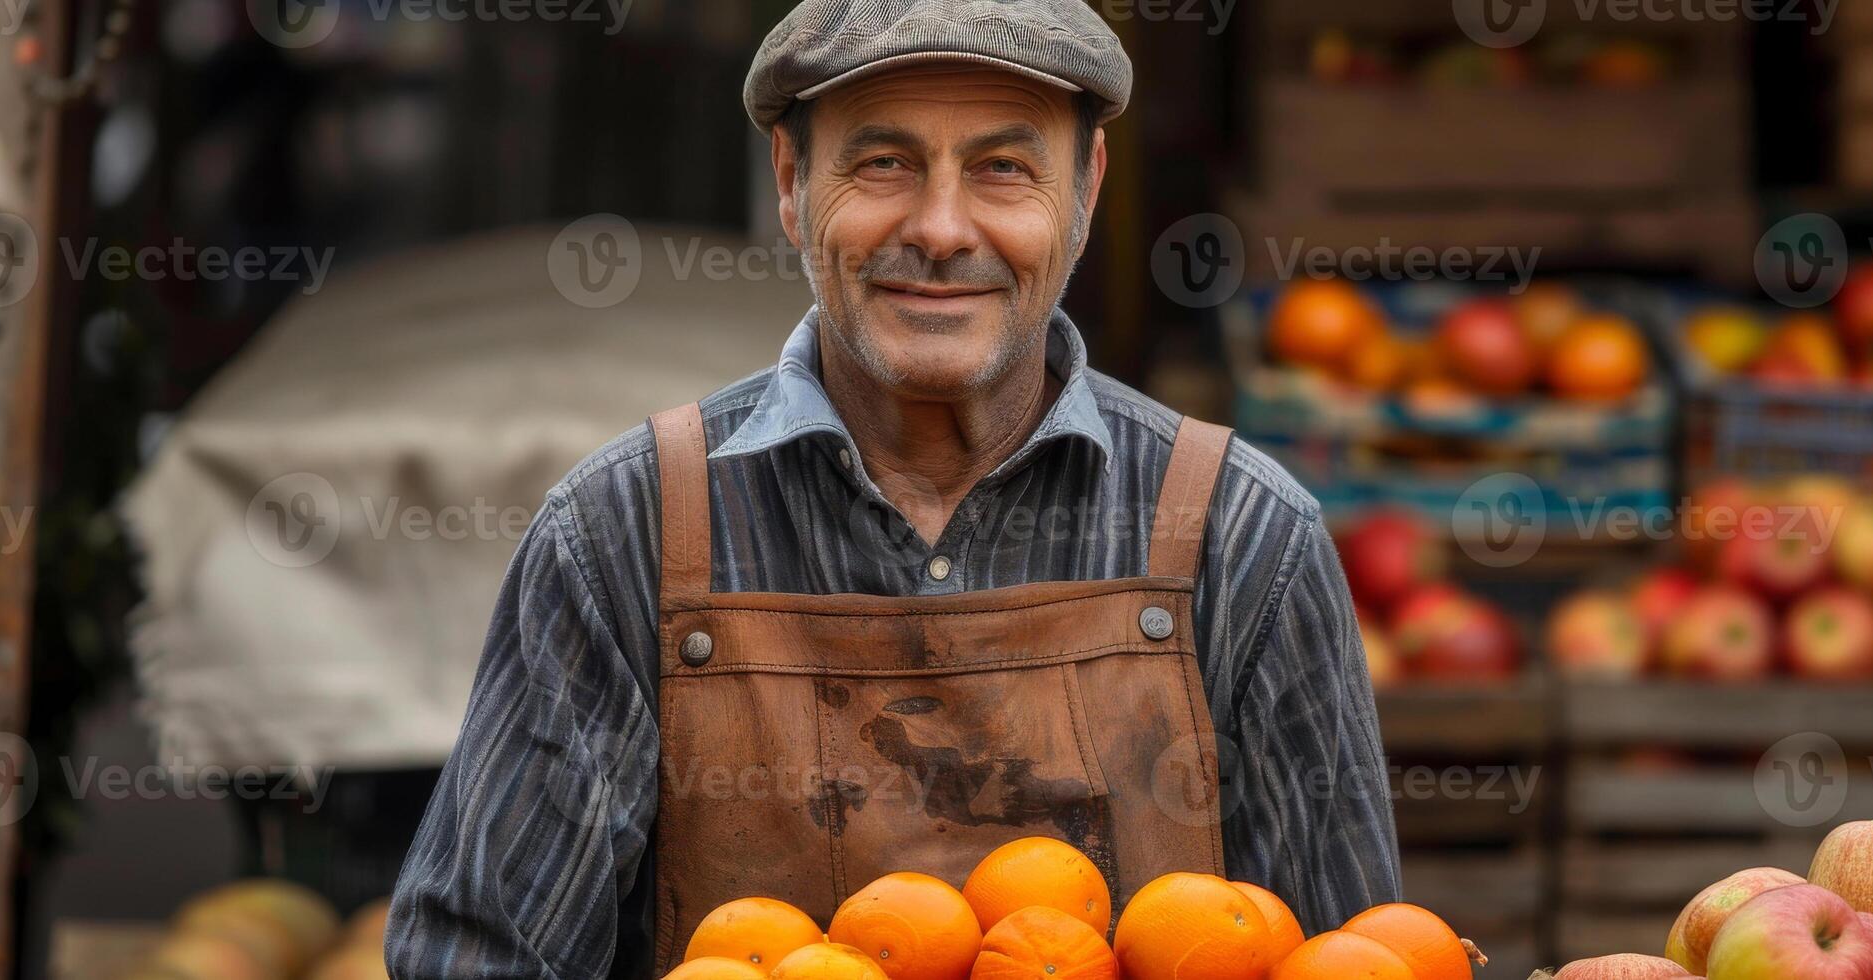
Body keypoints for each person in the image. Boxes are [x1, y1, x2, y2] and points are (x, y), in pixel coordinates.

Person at [384, 2, 1400, 974]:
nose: (944, 227)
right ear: (791, 179)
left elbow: (1360, 964)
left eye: (1003, 167)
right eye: (883, 163)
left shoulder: (1242, 533)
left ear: (1085, 189)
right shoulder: (620, 535)